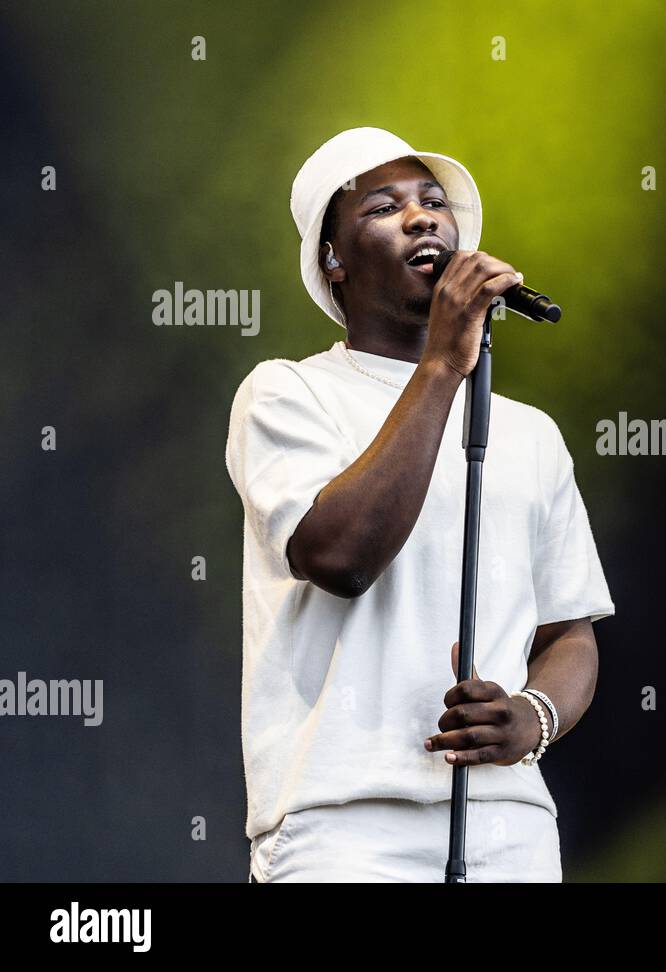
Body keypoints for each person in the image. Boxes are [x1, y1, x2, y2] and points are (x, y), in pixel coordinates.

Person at [224, 127, 615, 882]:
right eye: (385, 207)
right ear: (333, 259)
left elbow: (571, 630)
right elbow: (340, 559)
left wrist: (530, 717)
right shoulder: (286, 394)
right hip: (345, 826)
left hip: (511, 825)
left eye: (434, 202)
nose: (422, 217)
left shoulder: (531, 434)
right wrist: (442, 362)